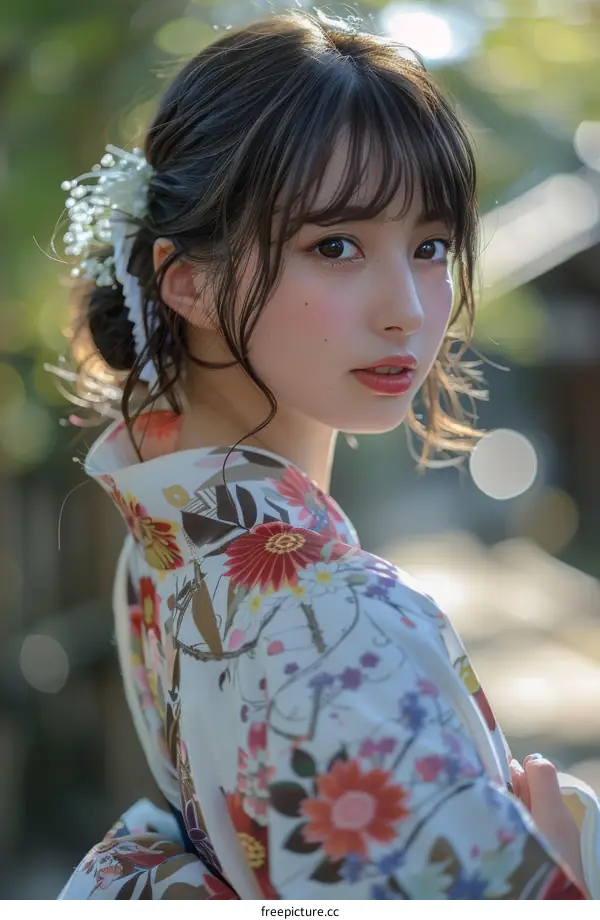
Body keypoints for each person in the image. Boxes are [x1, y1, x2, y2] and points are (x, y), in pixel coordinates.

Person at [54, 13, 597, 899]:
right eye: (335, 246)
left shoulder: (158, 562)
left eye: (430, 248)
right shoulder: (340, 616)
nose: (407, 309)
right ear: (189, 281)